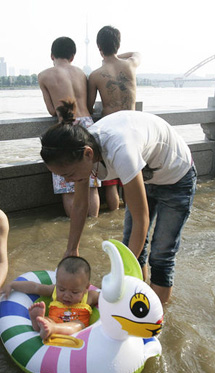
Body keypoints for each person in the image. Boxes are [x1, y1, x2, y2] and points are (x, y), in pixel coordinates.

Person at [40, 100, 196, 304]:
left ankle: (156, 321)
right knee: (132, 247)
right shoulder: (79, 152)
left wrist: (122, 274)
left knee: (161, 254)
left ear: (88, 154)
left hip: (176, 177)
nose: (68, 181)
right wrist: (71, 249)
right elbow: (80, 205)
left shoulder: (121, 150)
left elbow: (142, 219)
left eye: (69, 174)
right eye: (63, 177)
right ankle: (136, 302)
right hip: (145, 175)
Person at [38, 36, 101, 217]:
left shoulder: (44, 75)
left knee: (68, 187)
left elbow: (52, 110)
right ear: (72, 56)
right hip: (88, 125)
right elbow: (89, 106)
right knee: (92, 184)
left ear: (52, 55)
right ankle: (93, 224)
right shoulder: (81, 73)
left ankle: (75, 226)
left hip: (66, 128)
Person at [87, 25, 142, 211]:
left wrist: (105, 58)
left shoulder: (95, 75)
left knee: (111, 180)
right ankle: (129, 215)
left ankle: (113, 215)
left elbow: (88, 106)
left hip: (110, 128)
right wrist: (116, 54)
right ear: (118, 45)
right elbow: (136, 53)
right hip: (132, 126)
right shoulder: (131, 64)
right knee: (132, 174)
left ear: (99, 47)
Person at [0, 256, 99, 340]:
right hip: (52, 323)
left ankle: (52, 328)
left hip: (76, 331)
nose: (67, 295)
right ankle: (38, 323)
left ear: (86, 287)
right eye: (62, 289)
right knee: (47, 321)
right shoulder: (54, 291)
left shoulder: (90, 296)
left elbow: (109, 300)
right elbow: (35, 287)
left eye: (74, 292)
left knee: (79, 324)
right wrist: (12, 285)